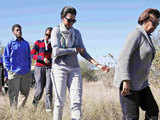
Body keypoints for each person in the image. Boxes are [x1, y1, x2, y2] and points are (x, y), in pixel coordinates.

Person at [51, 6, 110, 120]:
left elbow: (83, 52)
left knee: (76, 102)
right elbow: (56, 51)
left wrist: (98, 65)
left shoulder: (76, 33)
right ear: (63, 18)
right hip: (59, 68)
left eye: (74, 20)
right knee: (59, 102)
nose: (71, 23)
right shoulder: (56, 30)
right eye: (69, 20)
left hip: (74, 69)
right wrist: (74, 50)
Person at [114, 8, 160, 120]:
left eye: (157, 24)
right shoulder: (136, 34)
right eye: (154, 23)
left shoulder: (147, 37)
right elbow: (123, 58)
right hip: (129, 85)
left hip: (142, 84)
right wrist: (125, 80)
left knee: (153, 110)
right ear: (145, 19)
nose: (155, 26)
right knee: (131, 117)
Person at [3, 24, 31, 109]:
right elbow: (5, 57)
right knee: (13, 94)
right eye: (17, 30)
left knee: (25, 93)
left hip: (25, 72)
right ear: (13, 32)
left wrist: (28, 68)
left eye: (20, 30)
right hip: (14, 72)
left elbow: (29, 57)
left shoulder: (26, 43)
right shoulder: (10, 43)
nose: (19, 31)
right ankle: (13, 113)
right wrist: (9, 70)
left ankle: (19, 110)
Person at [31, 27, 53, 112]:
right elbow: (32, 55)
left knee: (48, 89)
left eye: (50, 35)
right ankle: (34, 105)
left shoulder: (53, 45)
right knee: (39, 89)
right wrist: (42, 58)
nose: (48, 36)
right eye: (47, 34)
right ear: (44, 34)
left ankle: (48, 109)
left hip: (49, 68)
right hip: (39, 68)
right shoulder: (38, 43)